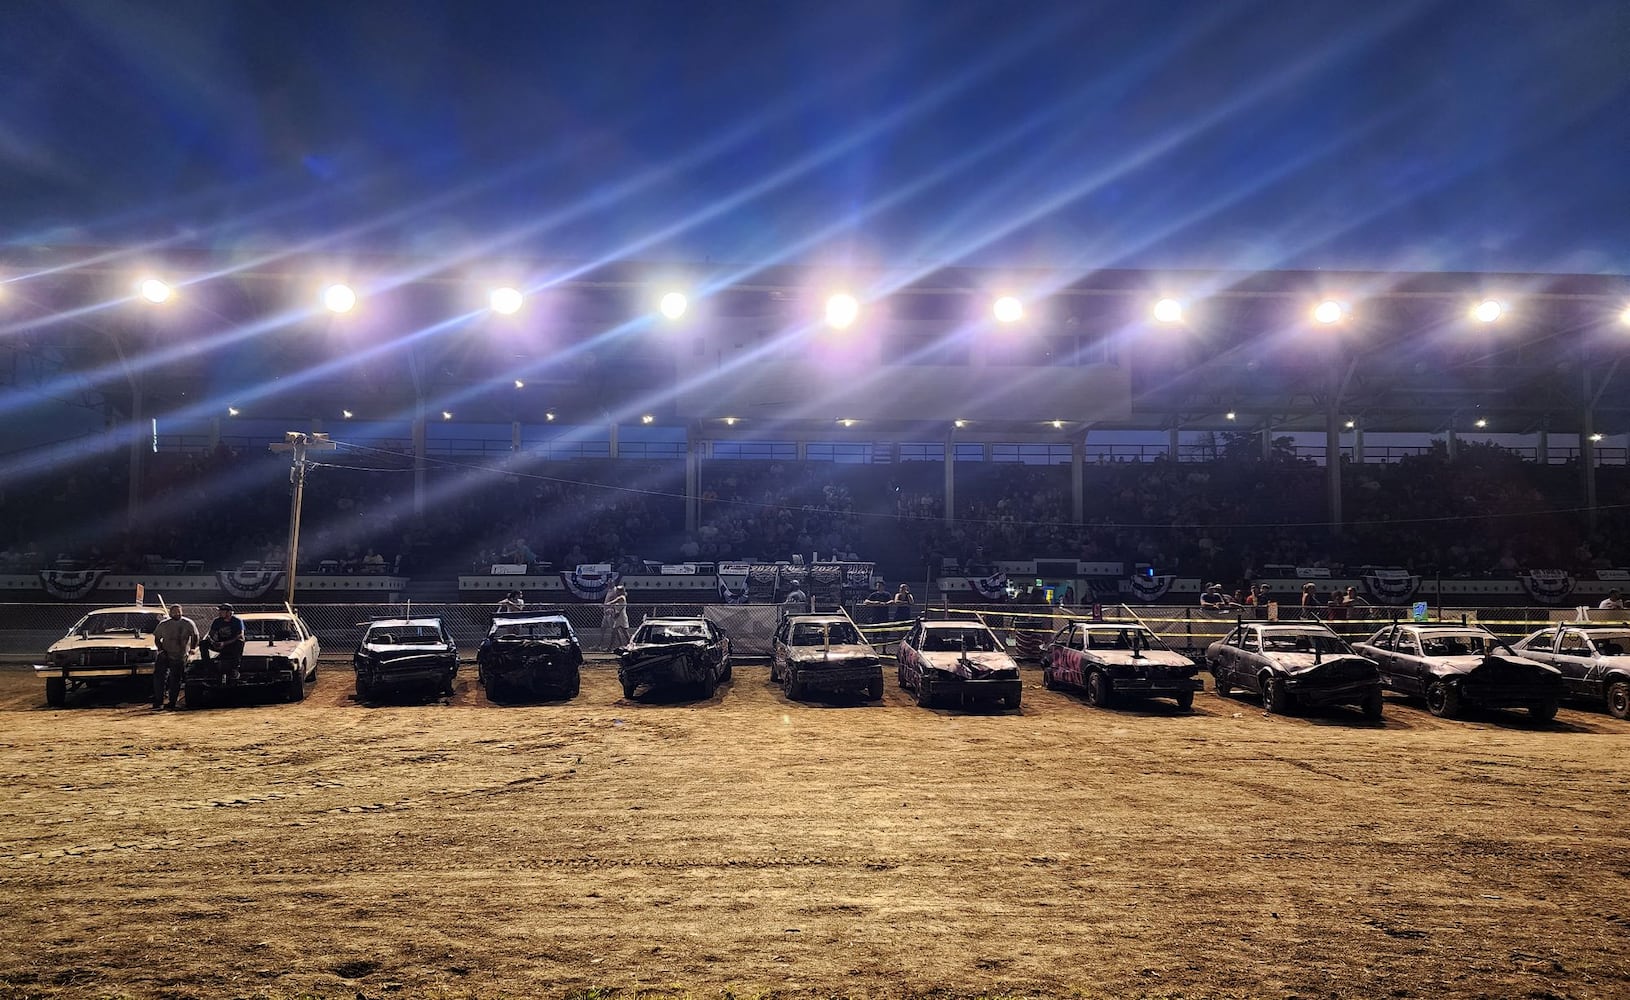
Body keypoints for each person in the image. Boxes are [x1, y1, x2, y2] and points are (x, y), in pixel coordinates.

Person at [151, 603, 198, 710]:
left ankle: (172, 702)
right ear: (170, 612)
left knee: (175, 679)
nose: (177, 613)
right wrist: (161, 650)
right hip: (165, 654)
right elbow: (157, 638)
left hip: (179, 655)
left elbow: (195, 635)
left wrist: (193, 648)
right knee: (159, 677)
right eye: (174, 611)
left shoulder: (188, 623)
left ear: (182, 612)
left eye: (178, 611)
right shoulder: (163, 624)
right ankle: (159, 701)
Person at [199, 603, 245, 685]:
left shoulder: (237, 621)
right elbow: (211, 634)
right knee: (203, 643)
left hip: (231, 644)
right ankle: (208, 667)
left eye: (222, 611)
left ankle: (235, 668)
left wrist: (224, 643)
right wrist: (213, 642)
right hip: (219, 644)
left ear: (229, 612)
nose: (219, 612)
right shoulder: (217, 621)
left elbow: (240, 635)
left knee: (240, 642)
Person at [602, 584, 630, 650]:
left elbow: (615, 601)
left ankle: (630, 644)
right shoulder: (619, 597)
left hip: (622, 617)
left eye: (618, 591)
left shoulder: (622, 597)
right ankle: (611, 647)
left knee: (624, 632)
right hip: (617, 617)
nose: (616, 592)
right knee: (614, 632)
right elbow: (615, 606)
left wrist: (608, 604)